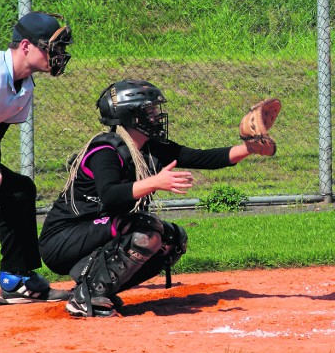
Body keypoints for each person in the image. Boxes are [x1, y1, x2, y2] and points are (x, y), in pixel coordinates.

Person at [38, 79, 278, 317]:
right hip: (63, 238)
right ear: (130, 115)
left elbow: (204, 158)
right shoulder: (105, 150)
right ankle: (87, 297)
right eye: (149, 110)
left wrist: (250, 148)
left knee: (172, 240)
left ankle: (98, 288)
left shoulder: (151, 148)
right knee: (145, 231)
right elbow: (110, 197)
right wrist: (155, 181)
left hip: (98, 231)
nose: (155, 115)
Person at [0, 11, 73, 304]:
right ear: (27, 46)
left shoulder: (24, 85)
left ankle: (15, 278)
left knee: (18, 190)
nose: (58, 55)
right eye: (51, 47)